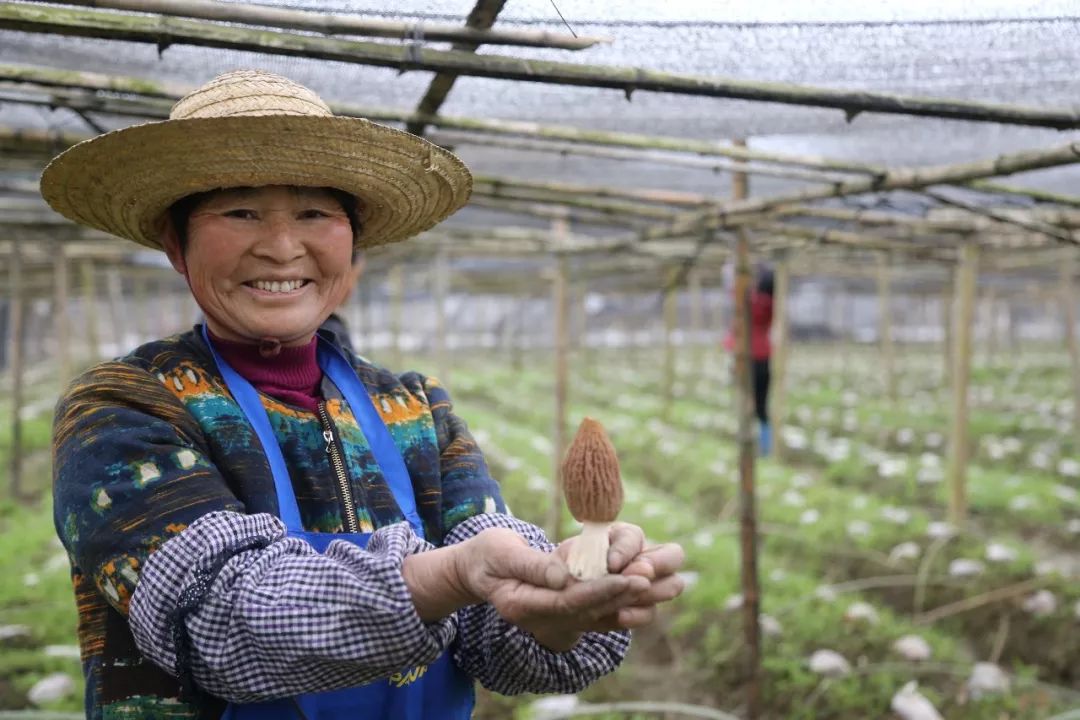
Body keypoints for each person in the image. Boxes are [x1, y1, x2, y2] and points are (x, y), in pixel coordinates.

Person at [44, 71, 685, 720]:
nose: (282, 246)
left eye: (314, 213)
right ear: (175, 244)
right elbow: (217, 614)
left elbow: (495, 619)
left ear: (352, 242)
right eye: (241, 212)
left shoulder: (415, 409)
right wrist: (446, 576)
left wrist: (558, 607)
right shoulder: (124, 407)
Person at [724, 264, 775, 456]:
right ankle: (765, 446)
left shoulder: (751, 303)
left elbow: (735, 294)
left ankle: (747, 441)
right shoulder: (771, 305)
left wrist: (729, 272)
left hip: (747, 357)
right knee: (762, 405)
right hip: (764, 358)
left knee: (745, 400)